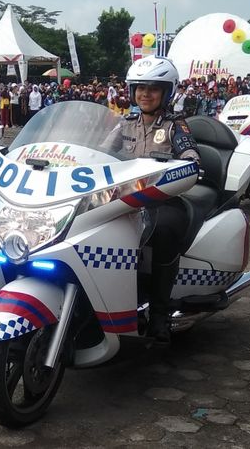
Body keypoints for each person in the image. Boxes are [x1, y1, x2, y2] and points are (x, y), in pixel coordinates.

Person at [103, 56, 200, 344]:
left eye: (154, 88)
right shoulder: (125, 123)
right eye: (140, 88)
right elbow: (101, 151)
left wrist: (189, 165)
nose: (145, 94)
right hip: (126, 197)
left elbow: (190, 155)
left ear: (167, 93)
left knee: (166, 232)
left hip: (163, 199)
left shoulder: (175, 126)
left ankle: (160, 312)